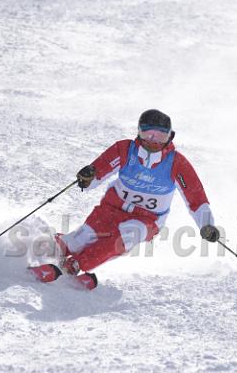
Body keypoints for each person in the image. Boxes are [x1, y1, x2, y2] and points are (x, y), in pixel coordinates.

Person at [28, 109, 220, 290]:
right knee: (79, 240)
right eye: (148, 134)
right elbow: (98, 173)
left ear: (170, 136)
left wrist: (207, 225)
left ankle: (74, 266)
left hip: (147, 219)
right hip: (111, 208)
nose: (153, 141)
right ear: (139, 132)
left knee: (125, 238)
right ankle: (43, 249)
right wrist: (88, 177)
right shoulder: (125, 149)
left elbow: (196, 198)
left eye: (160, 136)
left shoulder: (177, 163)